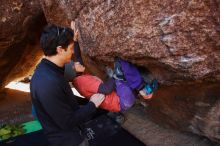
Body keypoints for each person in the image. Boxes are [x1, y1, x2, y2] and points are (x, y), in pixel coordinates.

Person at [30, 24, 105, 146]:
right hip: (69, 140)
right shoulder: (48, 84)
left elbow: (76, 65)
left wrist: (74, 41)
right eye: (70, 48)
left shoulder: (49, 68)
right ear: (59, 49)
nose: (72, 52)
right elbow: (67, 122)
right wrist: (92, 104)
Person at [66, 21, 158, 112]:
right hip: (121, 101)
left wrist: (75, 40)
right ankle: (143, 88)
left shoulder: (78, 76)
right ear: (73, 71)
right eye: (74, 65)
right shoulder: (82, 82)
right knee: (121, 67)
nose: (76, 63)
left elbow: (78, 57)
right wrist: (115, 76)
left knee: (124, 75)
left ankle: (144, 90)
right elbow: (106, 89)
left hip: (123, 99)